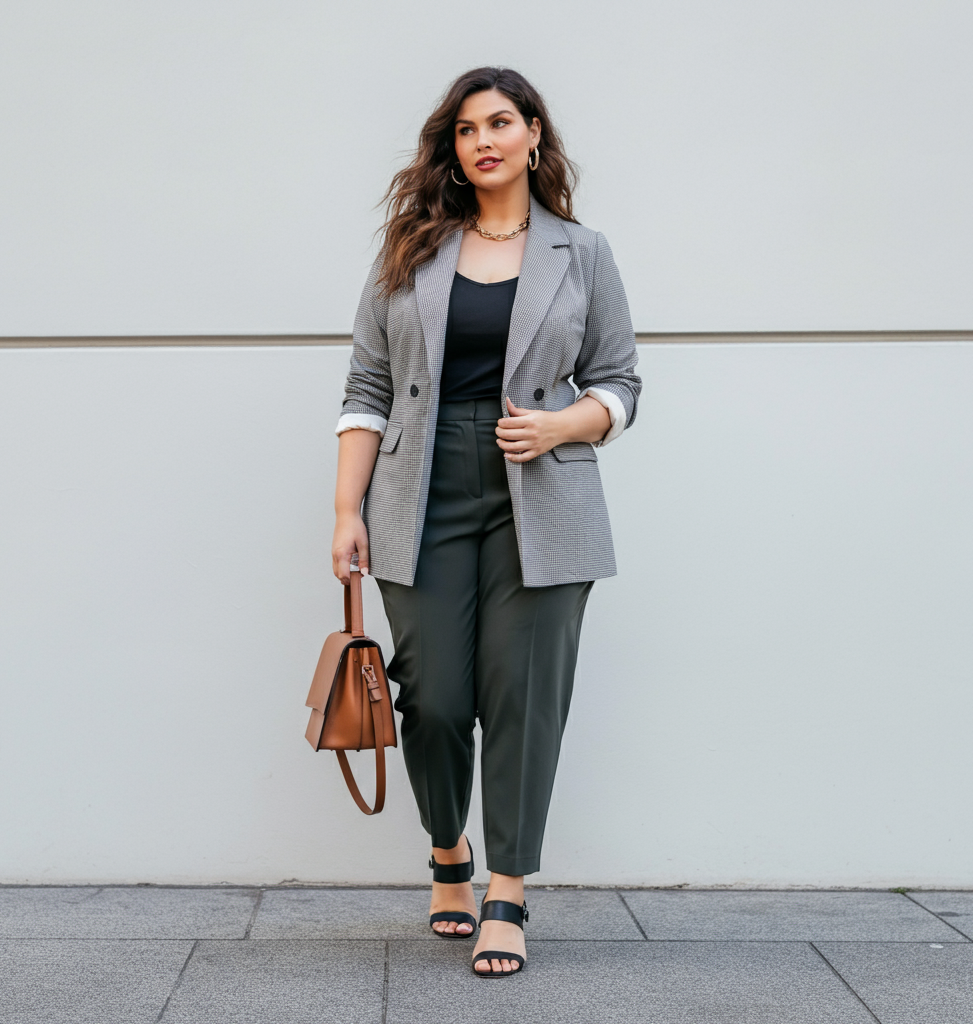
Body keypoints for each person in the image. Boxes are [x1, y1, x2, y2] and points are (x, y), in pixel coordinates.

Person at [330, 66, 641, 978]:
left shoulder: (582, 254)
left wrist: (562, 423)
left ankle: (505, 886)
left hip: (540, 489)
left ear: (534, 133)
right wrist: (347, 509)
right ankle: (446, 850)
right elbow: (367, 387)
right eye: (466, 129)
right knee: (433, 699)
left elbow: (620, 383)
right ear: (452, 148)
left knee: (523, 693)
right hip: (419, 489)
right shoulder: (410, 249)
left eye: (500, 122)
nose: (483, 141)